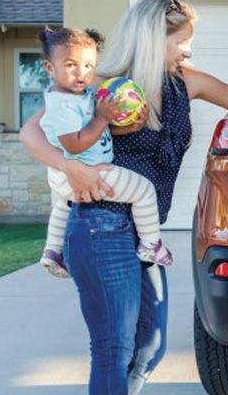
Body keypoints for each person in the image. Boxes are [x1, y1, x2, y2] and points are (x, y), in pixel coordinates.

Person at [19, 0, 228, 395]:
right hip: (101, 228)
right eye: (182, 40)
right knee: (113, 348)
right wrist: (72, 167)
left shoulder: (186, 82)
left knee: (150, 345)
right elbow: (30, 133)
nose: (189, 49)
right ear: (155, 39)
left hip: (142, 234)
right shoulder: (103, 86)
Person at [35, 27, 173, 279]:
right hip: (88, 172)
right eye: (71, 65)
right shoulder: (61, 106)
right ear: (49, 67)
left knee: (63, 204)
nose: (82, 73)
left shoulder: (78, 96)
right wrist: (101, 116)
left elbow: (97, 134)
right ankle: (151, 245)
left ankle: (53, 251)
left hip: (70, 173)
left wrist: (128, 127)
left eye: (89, 65)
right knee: (144, 191)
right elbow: (75, 144)